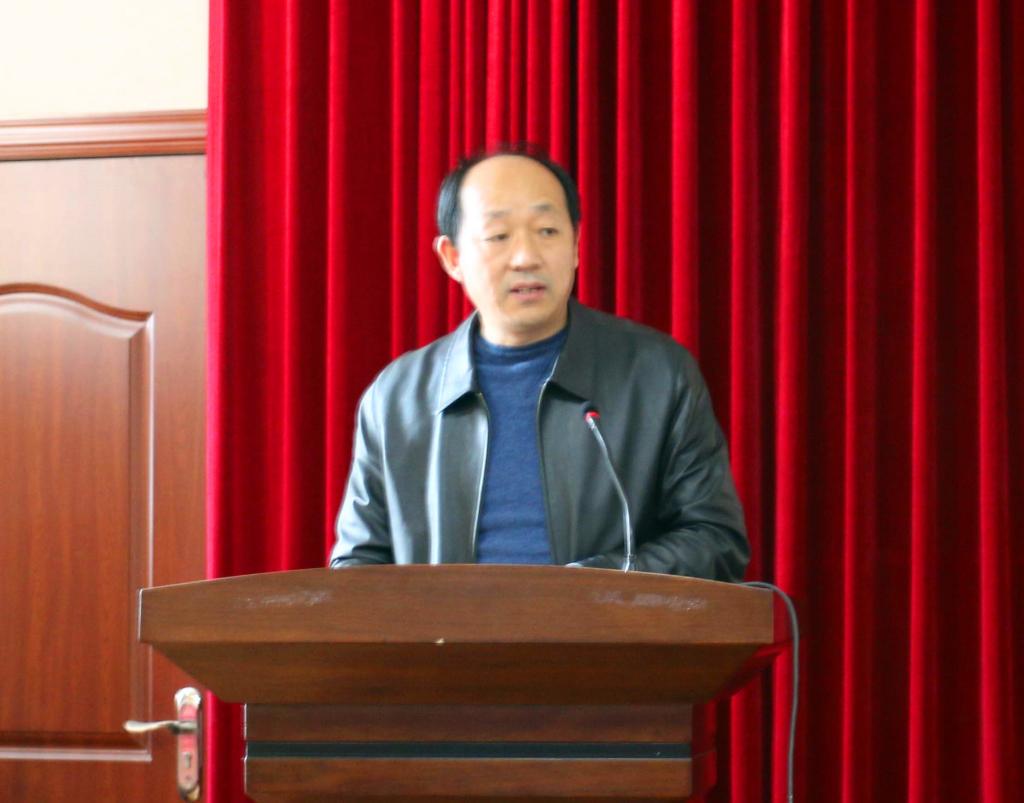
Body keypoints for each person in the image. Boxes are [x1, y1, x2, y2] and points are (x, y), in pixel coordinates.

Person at [329, 146, 749, 580]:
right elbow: (356, 567)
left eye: (547, 231)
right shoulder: (397, 397)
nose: (526, 257)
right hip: (444, 629)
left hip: (605, 624)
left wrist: (591, 586)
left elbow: (715, 539)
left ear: (576, 245)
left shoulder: (657, 375)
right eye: (498, 236)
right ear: (452, 258)